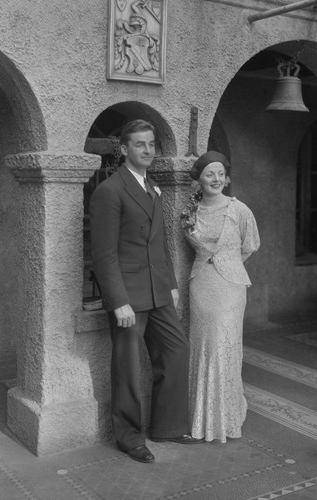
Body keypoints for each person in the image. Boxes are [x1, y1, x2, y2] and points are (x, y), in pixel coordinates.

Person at [90, 119, 203, 464]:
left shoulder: (153, 187)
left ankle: (167, 427)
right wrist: (118, 301)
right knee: (127, 368)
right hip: (128, 296)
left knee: (176, 349)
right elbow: (104, 254)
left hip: (157, 291)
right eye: (140, 144)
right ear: (123, 150)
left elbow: (160, 244)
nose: (148, 150)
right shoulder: (109, 191)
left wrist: (170, 284)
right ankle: (129, 438)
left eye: (152, 144)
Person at [181, 151, 260, 443]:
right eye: (209, 174)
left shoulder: (240, 211)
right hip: (201, 284)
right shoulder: (191, 212)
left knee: (224, 346)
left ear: (227, 178)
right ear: (199, 179)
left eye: (220, 174)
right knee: (203, 346)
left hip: (230, 287)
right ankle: (200, 418)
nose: (216, 179)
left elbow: (249, 246)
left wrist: (227, 263)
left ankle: (225, 418)